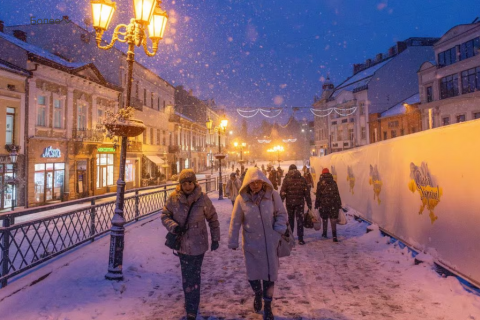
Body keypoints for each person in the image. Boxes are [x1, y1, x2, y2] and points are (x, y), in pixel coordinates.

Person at [228, 167, 287, 320]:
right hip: (251, 244)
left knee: (269, 275)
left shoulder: (272, 196)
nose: (255, 185)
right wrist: (232, 240)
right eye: (252, 183)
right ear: (247, 183)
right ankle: (257, 293)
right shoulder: (242, 199)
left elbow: (281, 214)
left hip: (269, 244)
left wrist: (277, 231)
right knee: (253, 274)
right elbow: (235, 221)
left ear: (263, 182)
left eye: (258, 182)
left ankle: (267, 305)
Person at [161, 169, 220, 320]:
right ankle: (190, 303)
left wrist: (215, 239)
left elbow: (212, 218)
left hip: (199, 244)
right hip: (182, 244)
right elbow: (165, 215)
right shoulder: (173, 198)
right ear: (180, 185)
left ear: (194, 183)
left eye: (190, 183)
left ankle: (192, 305)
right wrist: (173, 226)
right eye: (184, 184)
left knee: (195, 274)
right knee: (187, 275)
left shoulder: (202, 199)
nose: (187, 186)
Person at [280, 164, 312, 245]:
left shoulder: (286, 179)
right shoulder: (302, 179)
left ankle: (291, 237)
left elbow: (283, 192)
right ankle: (300, 238)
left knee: (291, 219)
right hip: (299, 203)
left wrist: (280, 201)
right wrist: (309, 203)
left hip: (290, 203)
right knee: (300, 220)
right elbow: (306, 192)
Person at [315, 168, 342, 242]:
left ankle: (324, 233)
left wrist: (316, 204)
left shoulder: (320, 183)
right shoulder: (333, 182)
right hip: (333, 203)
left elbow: (318, 195)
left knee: (325, 218)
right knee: (333, 219)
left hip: (324, 203)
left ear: (322, 174)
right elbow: (337, 193)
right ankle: (334, 236)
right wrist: (339, 204)